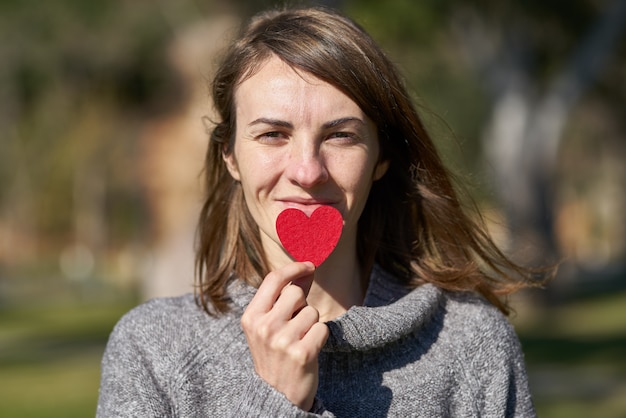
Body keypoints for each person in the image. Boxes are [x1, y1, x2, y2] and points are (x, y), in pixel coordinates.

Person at [97, 6, 545, 417]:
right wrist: (278, 401)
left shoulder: (473, 345)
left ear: (381, 158)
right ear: (230, 155)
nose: (308, 172)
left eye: (340, 136)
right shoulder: (152, 348)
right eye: (273, 134)